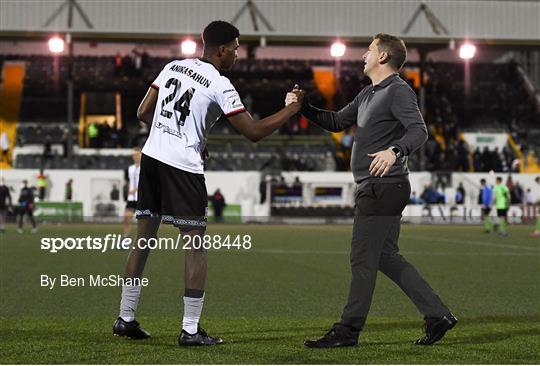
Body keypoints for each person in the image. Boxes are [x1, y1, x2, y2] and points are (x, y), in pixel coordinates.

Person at [112, 20, 304, 346]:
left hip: (153, 158)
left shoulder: (173, 66)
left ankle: (125, 318)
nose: (238, 55)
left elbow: (144, 111)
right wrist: (292, 109)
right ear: (222, 49)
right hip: (183, 167)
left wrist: (181, 135)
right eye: (236, 48)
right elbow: (253, 132)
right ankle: (190, 329)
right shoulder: (220, 84)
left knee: (143, 239)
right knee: (195, 246)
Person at [287, 33, 456, 348]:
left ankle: (348, 330)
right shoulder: (367, 94)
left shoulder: (398, 91)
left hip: (383, 186)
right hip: (379, 187)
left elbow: (419, 131)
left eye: (369, 49)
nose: (363, 54)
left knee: (362, 258)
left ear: (382, 57)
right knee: (385, 256)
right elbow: (337, 121)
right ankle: (437, 315)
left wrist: (395, 150)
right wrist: (304, 107)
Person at [124, 147, 141, 238]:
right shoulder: (129, 169)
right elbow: (127, 182)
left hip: (141, 198)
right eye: (134, 155)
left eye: (138, 155)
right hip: (131, 198)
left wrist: (136, 189)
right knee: (126, 218)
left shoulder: (145, 169)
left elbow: (146, 183)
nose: (136, 157)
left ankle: (143, 238)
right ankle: (126, 235)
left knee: (143, 221)